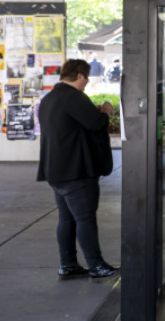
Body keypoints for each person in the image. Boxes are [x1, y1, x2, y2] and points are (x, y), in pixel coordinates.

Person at [38, 58, 117, 279]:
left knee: (67, 218)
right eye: (87, 77)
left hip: (56, 170)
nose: (87, 81)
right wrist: (106, 111)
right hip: (76, 171)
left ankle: (68, 265)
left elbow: (71, 126)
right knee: (85, 218)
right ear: (80, 76)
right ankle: (96, 265)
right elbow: (96, 124)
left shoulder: (49, 98)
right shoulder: (74, 97)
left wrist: (94, 113)